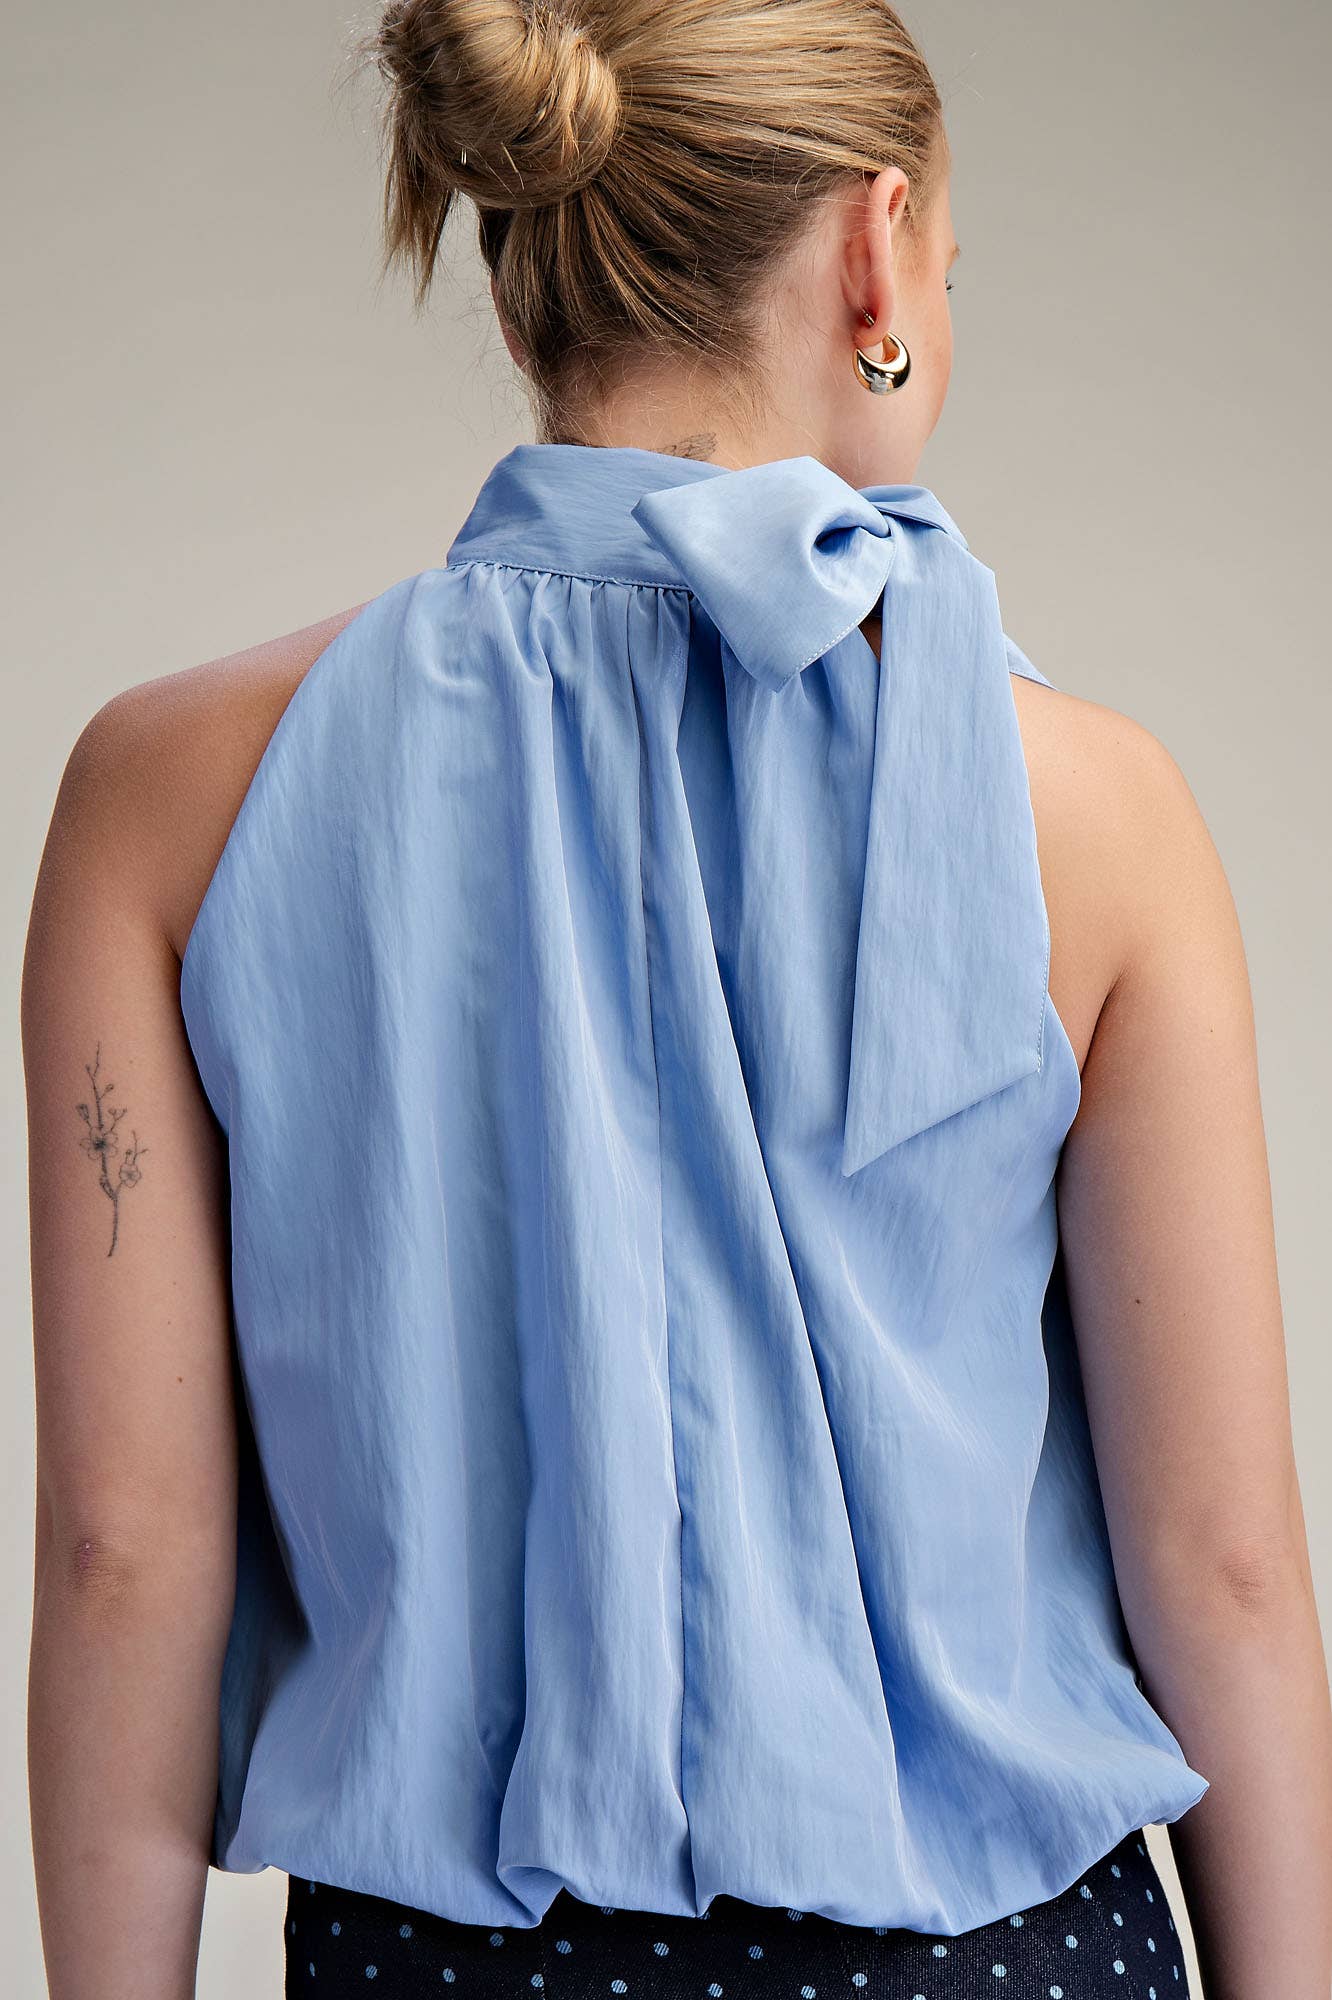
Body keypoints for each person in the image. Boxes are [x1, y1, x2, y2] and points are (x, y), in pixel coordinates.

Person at [21, 0, 1332, 1995]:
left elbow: (125, 1554)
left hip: (444, 1969)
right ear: (879, 254)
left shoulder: (164, 794)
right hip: (1008, 1963)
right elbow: (1220, 1570)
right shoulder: (1098, 811)